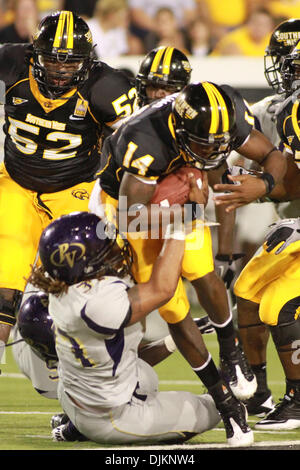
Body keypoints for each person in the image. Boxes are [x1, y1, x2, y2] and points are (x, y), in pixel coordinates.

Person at [91, 81, 287, 443]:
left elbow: (273, 155)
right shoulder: (144, 140)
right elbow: (130, 216)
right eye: (204, 144)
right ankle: (222, 398)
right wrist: (194, 209)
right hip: (129, 208)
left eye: (221, 145)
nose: (215, 152)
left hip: (180, 192)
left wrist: (265, 183)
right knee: (170, 302)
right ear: (181, 132)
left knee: (203, 271)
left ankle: (230, 351)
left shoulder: (225, 111)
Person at [0, 10, 137, 365]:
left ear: (87, 61)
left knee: (84, 285)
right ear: (34, 55)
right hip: (16, 182)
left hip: (75, 189)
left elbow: (133, 144)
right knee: (4, 281)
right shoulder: (11, 64)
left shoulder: (106, 87)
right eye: (52, 60)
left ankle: (91, 366)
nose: (61, 70)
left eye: (71, 62)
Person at [27, 210, 227, 445]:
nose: (113, 251)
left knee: (146, 377)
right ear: (83, 262)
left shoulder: (65, 289)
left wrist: (173, 341)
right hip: (113, 417)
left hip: (78, 396)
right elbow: (163, 289)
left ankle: (76, 426)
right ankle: (94, 430)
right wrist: (178, 226)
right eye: (104, 249)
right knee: (211, 409)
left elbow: (124, 356)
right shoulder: (95, 304)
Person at [134, 45, 256, 388]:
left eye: (168, 88)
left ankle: (231, 354)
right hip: (139, 220)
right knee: (157, 309)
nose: (159, 95)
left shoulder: (201, 125)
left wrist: (226, 253)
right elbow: (128, 208)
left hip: (182, 216)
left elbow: (224, 189)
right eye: (154, 87)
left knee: (204, 275)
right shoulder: (136, 125)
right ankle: (109, 381)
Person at [13, 289, 215, 440]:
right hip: (124, 419)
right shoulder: (92, 347)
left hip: (100, 415)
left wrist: (70, 430)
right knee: (213, 408)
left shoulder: (66, 372)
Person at [231, 18, 300, 418]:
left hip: (292, 221)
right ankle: (259, 391)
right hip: (288, 220)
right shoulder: (274, 111)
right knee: (250, 293)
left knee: (280, 304)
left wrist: (263, 185)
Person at [210, 8, 275, 56]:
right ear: (247, 23)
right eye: (255, 22)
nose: (259, 27)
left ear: (270, 28)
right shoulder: (235, 38)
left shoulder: (273, 43)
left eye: (263, 25)